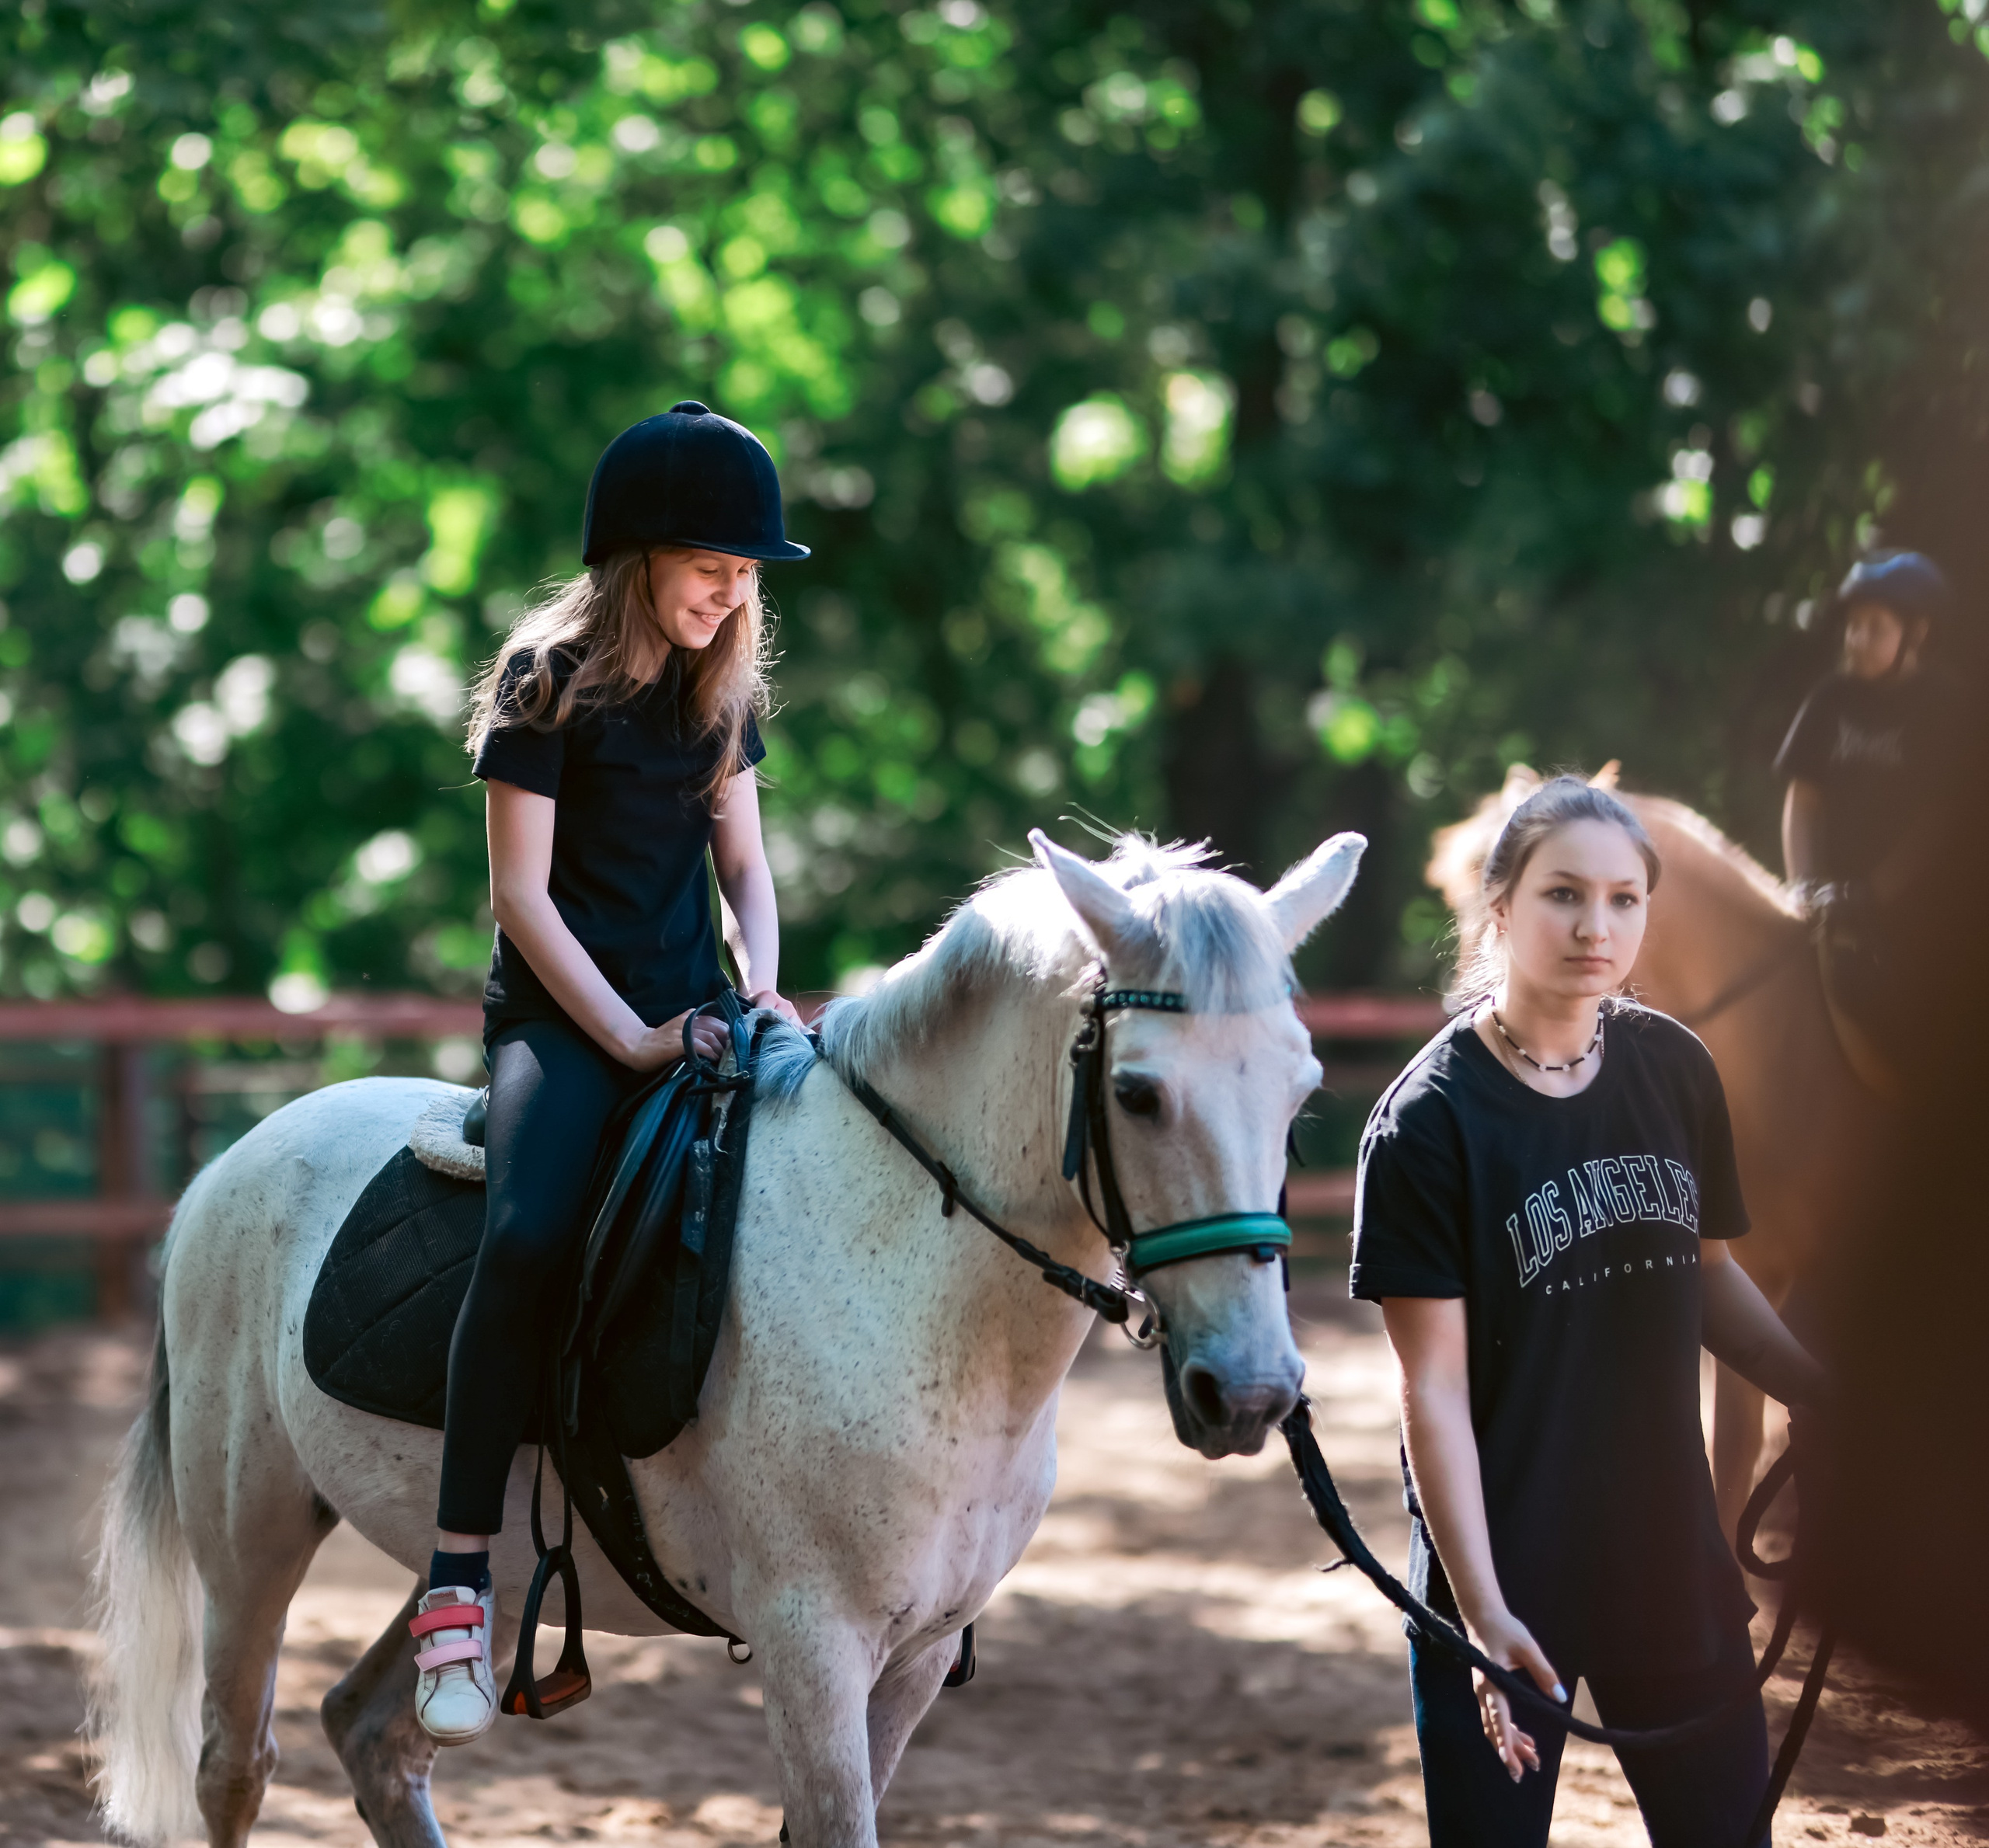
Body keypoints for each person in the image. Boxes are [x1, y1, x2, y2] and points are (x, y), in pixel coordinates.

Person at [409, 402, 809, 1745]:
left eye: (747, 571)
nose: (732, 589)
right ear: (639, 554)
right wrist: (629, 1039)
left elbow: (742, 866)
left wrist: (759, 982)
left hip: (698, 1008)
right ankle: (456, 1579)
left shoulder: (722, 688)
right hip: (566, 1019)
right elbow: (521, 897)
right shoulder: (546, 675)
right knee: (524, 1239)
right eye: (714, 563)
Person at [1350, 774, 1825, 1848]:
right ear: (1501, 908)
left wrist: (1821, 1393)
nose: (1595, 925)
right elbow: (1432, 1390)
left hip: (1669, 1557)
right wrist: (1479, 1615)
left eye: (1623, 898)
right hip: (1507, 1576)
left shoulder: (1677, 1068)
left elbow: (1705, 1274)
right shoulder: (1427, 1124)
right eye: (1565, 894)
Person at [1775, 551, 1956, 1076]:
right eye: (1853, 626)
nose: (1855, 639)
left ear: (1917, 634)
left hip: (1923, 911)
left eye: (1874, 628)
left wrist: (1874, 892)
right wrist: (1802, 888)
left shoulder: (1946, 709)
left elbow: (1940, 825)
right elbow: (1803, 803)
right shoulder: (1831, 699)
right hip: (1836, 907)